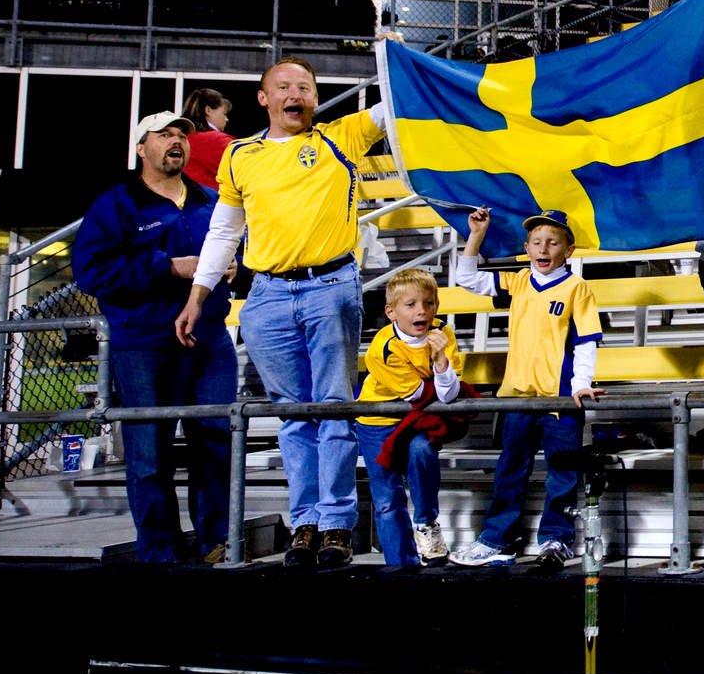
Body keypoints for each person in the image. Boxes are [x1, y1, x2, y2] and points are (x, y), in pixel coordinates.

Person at [175, 58, 392, 570]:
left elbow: (398, 104)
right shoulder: (240, 155)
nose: (295, 94)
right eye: (284, 86)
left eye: (305, 87)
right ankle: (304, 524)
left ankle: (336, 523)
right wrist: (197, 295)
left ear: (315, 97)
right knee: (293, 415)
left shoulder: (341, 137)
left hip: (330, 286)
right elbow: (224, 231)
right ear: (264, 98)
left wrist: (392, 58)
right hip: (267, 295)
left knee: (333, 407)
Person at [72, 113, 234, 564]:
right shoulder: (116, 205)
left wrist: (235, 268)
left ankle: (216, 542)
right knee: (149, 452)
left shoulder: (210, 201)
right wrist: (168, 266)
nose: (176, 141)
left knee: (215, 443)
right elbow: (92, 273)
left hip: (208, 340)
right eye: (164, 135)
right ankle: (160, 550)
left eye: (182, 135)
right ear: (141, 148)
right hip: (144, 343)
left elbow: (239, 250)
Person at [447, 207, 602, 568]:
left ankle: (556, 539)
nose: (543, 249)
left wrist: (580, 384)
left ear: (569, 249)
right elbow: (467, 278)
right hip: (517, 397)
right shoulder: (518, 282)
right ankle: (498, 540)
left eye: (552, 242)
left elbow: (586, 342)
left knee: (562, 474)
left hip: (559, 400)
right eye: (536, 242)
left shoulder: (577, 288)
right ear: (526, 247)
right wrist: (476, 235)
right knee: (510, 469)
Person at [354, 267, 465, 567]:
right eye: (411, 304)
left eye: (428, 303)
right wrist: (440, 381)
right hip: (378, 422)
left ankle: (427, 523)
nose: (421, 311)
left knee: (422, 450)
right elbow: (419, 395)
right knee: (387, 498)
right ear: (391, 312)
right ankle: (400, 564)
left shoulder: (443, 333)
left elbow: (448, 396)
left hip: (417, 417)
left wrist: (440, 361)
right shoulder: (383, 349)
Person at [179, 88, 234, 192]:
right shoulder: (218, 141)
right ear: (208, 110)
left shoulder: (177, 140)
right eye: (224, 114)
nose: (227, 119)